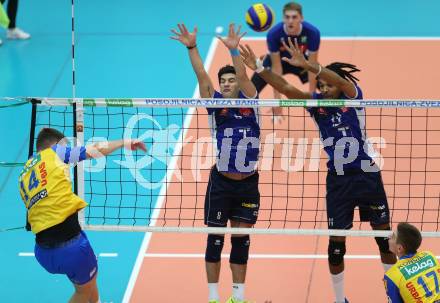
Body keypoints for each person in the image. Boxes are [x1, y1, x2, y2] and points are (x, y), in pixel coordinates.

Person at [240, 39, 396, 303]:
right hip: (338, 182)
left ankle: (395, 295)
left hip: (367, 175)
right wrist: (258, 67)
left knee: (384, 239)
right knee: (336, 247)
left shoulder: (352, 97)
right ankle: (339, 300)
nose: (323, 89)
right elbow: (287, 87)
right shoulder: (317, 106)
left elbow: (341, 81)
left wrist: (312, 67)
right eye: (320, 86)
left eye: (327, 85)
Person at [171, 23, 260, 303]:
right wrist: (192, 46)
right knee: (215, 240)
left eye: (230, 80)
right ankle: (213, 298)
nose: (226, 83)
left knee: (241, 243)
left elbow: (245, 75)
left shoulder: (251, 100)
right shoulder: (214, 103)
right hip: (221, 183)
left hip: (248, 184)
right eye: (224, 81)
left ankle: (238, 297)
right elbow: (201, 74)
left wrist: (234, 50)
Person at [18, 128, 146, 303]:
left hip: (42, 251)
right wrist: (124, 142)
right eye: (66, 145)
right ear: (55, 144)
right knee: (83, 293)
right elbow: (96, 149)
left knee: (89, 283)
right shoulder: (55, 152)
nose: (67, 149)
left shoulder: (24, 172)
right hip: (70, 248)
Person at [250, 2, 320, 119]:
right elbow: (276, 67)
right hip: (278, 61)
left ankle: (340, 110)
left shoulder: (313, 33)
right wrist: (277, 101)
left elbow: (312, 66)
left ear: (301, 18)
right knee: (250, 89)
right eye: (287, 17)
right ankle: (242, 114)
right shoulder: (274, 34)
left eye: (294, 17)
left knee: (326, 79)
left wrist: (312, 98)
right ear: (283, 19)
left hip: (301, 62)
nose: (290, 21)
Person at [385, 222, 440, 302]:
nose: (389, 236)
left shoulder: (391, 275)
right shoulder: (429, 255)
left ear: (399, 248)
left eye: (393, 236)